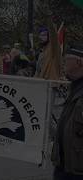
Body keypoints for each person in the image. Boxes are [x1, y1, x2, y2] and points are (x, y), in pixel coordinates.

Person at [51, 45, 83, 180]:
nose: (63, 64)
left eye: (66, 61)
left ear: (79, 62)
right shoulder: (75, 87)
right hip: (65, 166)